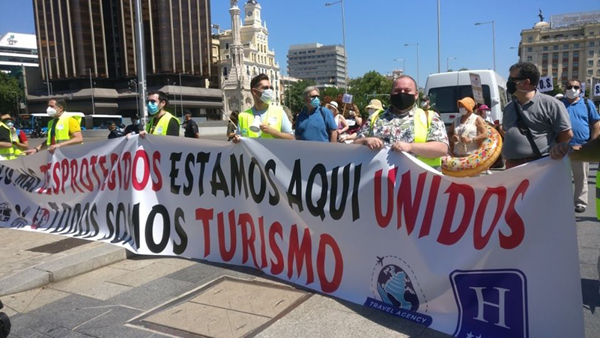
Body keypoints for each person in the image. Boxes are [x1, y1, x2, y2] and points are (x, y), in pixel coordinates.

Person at [354, 75, 449, 168]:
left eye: (407, 91)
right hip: (378, 180)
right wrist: (366, 141)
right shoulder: (376, 117)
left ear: (416, 95)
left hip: (416, 180)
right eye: (397, 91)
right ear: (391, 94)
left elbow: (441, 148)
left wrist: (411, 147)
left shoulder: (430, 117)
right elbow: (354, 144)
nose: (402, 93)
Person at [502, 61, 572, 168]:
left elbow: (566, 134)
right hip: (512, 167)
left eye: (512, 79)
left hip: (539, 166)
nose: (509, 82)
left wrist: (555, 151)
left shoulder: (551, 104)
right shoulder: (508, 107)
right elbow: (507, 132)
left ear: (526, 82)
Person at [561, 79, 600, 213]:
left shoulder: (587, 104)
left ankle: (580, 202)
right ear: (564, 88)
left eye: (576, 87)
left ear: (580, 89)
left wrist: (592, 143)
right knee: (562, 178)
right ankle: (563, 201)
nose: (573, 89)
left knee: (581, 176)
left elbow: (596, 124)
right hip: (563, 147)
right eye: (569, 86)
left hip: (582, 147)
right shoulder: (559, 104)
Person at [233, 74, 294, 143]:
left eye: (270, 88)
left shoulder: (279, 112)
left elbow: (291, 138)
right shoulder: (243, 116)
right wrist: (236, 140)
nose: (269, 91)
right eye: (265, 88)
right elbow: (239, 139)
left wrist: (272, 132)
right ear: (254, 92)